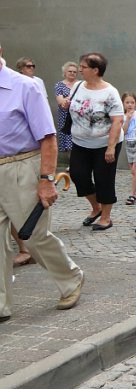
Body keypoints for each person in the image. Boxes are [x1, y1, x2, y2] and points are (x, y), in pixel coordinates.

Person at [0, 41, 85, 321]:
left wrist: (46, 179)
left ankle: (70, 279)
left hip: (23, 165)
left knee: (34, 235)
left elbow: (48, 137)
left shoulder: (24, 86)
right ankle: (1, 303)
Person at [67, 52, 124, 231]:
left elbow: (117, 120)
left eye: (83, 67)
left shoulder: (110, 92)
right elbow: (73, 105)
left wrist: (111, 148)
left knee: (104, 179)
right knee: (78, 175)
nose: (79, 70)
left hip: (104, 144)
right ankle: (95, 207)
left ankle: (106, 217)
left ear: (95, 70)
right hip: (80, 142)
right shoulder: (77, 86)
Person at [54, 61, 78, 155]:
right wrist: (71, 99)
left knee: (78, 141)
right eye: (70, 71)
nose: (72, 73)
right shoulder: (59, 85)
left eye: (74, 72)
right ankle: (71, 164)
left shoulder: (81, 84)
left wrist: (67, 99)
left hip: (78, 117)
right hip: (65, 117)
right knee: (68, 143)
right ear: (65, 72)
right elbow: (61, 102)